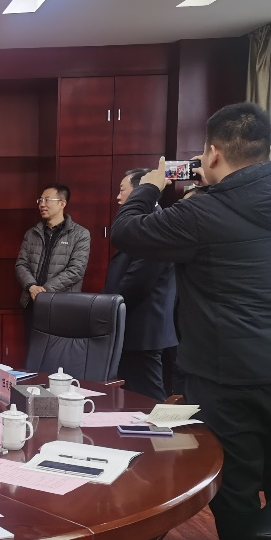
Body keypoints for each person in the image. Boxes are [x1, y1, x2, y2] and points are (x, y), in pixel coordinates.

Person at [111, 102, 271, 540]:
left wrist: (151, 186)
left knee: (235, 485)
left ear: (212, 153)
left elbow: (128, 232)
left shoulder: (204, 213)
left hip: (228, 369)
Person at [102, 169, 176, 401]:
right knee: (134, 393)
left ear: (140, 190)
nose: (118, 197)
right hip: (135, 324)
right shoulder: (144, 220)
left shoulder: (156, 223)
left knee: (147, 395)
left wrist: (110, 307)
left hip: (143, 327)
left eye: (122, 190)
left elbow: (138, 280)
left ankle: (164, 426)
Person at [14, 184, 91, 327]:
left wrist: (44, 291)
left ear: (62, 203)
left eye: (47, 200)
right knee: (32, 341)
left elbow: (76, 270)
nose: (42, 204)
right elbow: (21, 265)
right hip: (32, 302)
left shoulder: (80, 234)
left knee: (60, 341)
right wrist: (32, 287)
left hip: (63, 305)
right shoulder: (32, 233)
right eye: (40, 200)